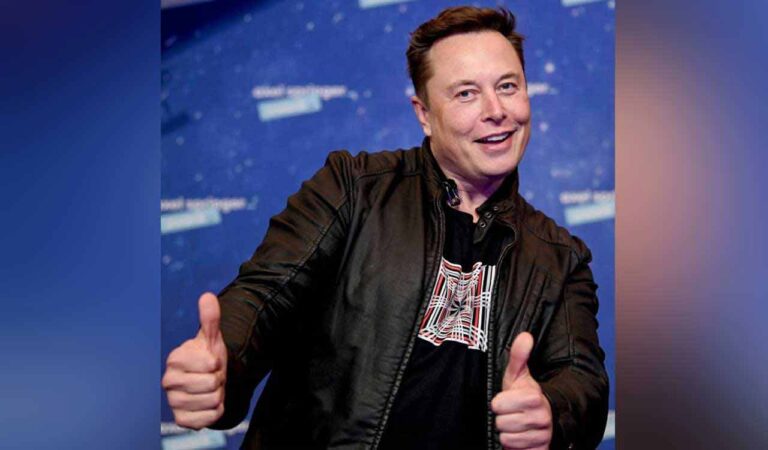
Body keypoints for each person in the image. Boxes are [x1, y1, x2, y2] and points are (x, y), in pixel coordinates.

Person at [162, 6, 608, 450]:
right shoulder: (352, 189)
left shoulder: (561, 257)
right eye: (466, 94)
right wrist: (224, 364)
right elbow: (264, 298)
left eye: (507, 86)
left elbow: (581, 380)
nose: (496, 111)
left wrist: (552, 411)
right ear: (424, 114)